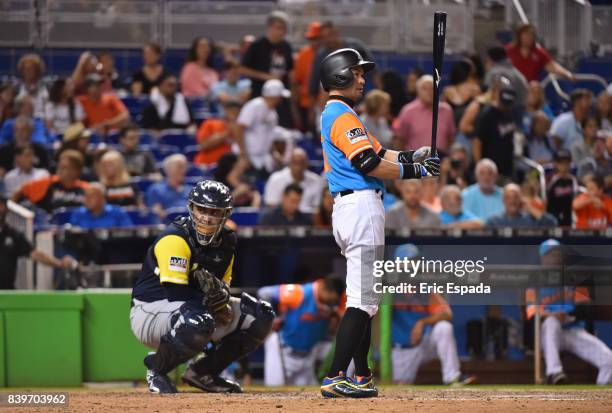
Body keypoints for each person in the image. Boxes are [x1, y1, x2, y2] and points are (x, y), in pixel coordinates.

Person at [317, 48, 440, 398]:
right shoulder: (340, 115)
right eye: (356, 73)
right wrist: (416, 172)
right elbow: (369, 164)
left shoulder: (344, 115)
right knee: (364, 300)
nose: (362, 79)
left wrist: (413, 156)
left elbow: (380, 153)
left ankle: (362, 375)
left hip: (353, 208)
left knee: (364, 296)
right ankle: (335, 376)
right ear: (339, 76)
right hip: (360, 206)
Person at [129, 180, 275, 393]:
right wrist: (214, 305)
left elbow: (223, 286)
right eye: (201, 209)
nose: (206, 217)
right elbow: (176, 293)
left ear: (226, 213)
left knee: (260, 315)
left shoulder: (227, 241)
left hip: (195, 308)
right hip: (150, 310)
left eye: (214, 212)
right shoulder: (175, 238)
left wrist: (222, 299)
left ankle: (202, 373)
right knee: (198, 319)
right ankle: (157, 369)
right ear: (191, 208)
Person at [526, 239, 612, 385]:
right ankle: (554, 373)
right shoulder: (533, 283)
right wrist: (553, 315)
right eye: (551, 254)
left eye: (558, 253)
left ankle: (600, 396)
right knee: (551, 322)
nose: (556, 257)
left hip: (573, 329)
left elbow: (584, 307)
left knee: (609, 361)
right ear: (543, 258)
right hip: (549, 334)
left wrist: (568, 315)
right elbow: (532, 312)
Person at [391, 244, 476, 385]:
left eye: (417, 262)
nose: (414, 267)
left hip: (423, 343)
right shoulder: (388, 288)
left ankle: (452, 376)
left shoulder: (424, 288)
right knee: (398, 386)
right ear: (398, 266)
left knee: (443, 327)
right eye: (409, 263)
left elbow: (447, 313)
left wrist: (422, 322)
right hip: (401, 348)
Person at [258, 276, 345, 386]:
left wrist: (336, 316)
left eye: (334, 302)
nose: (332, 304)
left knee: (309, 395)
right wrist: (272, 319)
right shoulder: (300, 292)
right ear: (323, 288)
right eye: (330, 301)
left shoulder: (338, 300)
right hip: (283, 348)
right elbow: (264, 293)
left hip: (308, 354)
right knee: (275, 389)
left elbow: (337, 327)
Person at [0, 195, 76, 289]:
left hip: (6, 293)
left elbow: (35, 254)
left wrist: (59, 263)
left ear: (7, 209)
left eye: (1, 205)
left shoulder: (13, 235)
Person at [241, 11, 294, 128]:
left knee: (282, 128)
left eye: (284, 29)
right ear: (269, 27)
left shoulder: (286, 46)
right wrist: (265, 76)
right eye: (278, 28)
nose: (282, 32)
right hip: (260, 94)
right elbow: (242, 69)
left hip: (281, 96)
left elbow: (290, 70)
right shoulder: (257, 45)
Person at [235, 79, 288, 173]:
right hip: (246, 156)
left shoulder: (273, 113)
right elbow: (239, 128)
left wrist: (274, 153)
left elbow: (269, 135)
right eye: (280, 96)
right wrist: (243, 154)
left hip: (261, 157)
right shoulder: (255, 106)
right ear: (274, 96)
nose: (281, 99)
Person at [395, 75, 455, 154]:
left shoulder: (447, 110)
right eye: (424, 89)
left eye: (432, 88)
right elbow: (399, 139)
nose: (429, 92)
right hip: (415, 161)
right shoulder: (408, 111)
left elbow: (451, 137)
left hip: (441, 161)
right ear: (418, 91)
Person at [13, 149, 88, 212]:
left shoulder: (86, 189)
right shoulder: (48, 183)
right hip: (50, 227)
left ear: (77, 170)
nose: (59, 170)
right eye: (59, 166)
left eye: (64, 167)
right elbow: (20, 192)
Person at [472, 76, 518, 180]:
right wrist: (480, 166)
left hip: (507, 168)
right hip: (490, 169)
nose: (506, 106)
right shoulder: (487, 114)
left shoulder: (509, 113)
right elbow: (477, 142)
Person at [506, 24, 574, 83]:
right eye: (526, 34)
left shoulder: (539, 52)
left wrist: (566, 73)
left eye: (531, 34)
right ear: (519, 36)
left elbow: (552, 66)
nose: (529, 37)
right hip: (512, 87)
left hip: (531, 90)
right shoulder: (509, 50)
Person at [263, 148, 322, 213]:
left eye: (301, 163)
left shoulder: (316, 180)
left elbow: (318, 207)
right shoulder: (275, 179)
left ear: (306, 164)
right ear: (289, 163)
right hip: (282, 219)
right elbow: (271, 206)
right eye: (295, 162)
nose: (298, 167)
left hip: (308, 220)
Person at [292, 21, 322, 131]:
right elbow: (295, 82)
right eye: (311, 39)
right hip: (305, 104)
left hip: (325, 104)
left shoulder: (330, 53)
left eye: (316, 38)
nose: (313, 42)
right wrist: (295, 110)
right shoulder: (303, 54)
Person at [486, 183, 557, 227]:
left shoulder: (529, 219)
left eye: (516, 197)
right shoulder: (494, 221)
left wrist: (530, 208)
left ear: (521, 199)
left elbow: (552, 223)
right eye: (508, 197)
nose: (512, 201)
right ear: (503, 200)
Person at [194, 101, 241, 168]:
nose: (233, 114)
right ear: (225, 111)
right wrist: (227, 133)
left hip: (232, 167)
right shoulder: (210, 123)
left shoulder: (242, 129)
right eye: (231, 111)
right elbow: (203, 145)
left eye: (236, 112)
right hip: (207, 165)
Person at [442, 58, 481, 127]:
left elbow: (441, 113)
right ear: (469, 73)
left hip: (450, 128)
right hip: (465, 130)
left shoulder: (447, 90)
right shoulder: (475, 89)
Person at [546, 149, 578, 227]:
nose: (564, 166)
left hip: (569, 217)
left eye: (566, 163)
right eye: (561, 163)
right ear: (556, 164)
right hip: (553, 216)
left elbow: (576, 198)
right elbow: (545, 198)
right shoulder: (550, 179)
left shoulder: (573, 180)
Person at [16, 53, 48, 119]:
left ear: (37, 71)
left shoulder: (47, 87)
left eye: (31, 69)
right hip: (22, 122)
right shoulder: (16, 88)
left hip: (43, 120)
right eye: (25, 69)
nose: (28, 71)